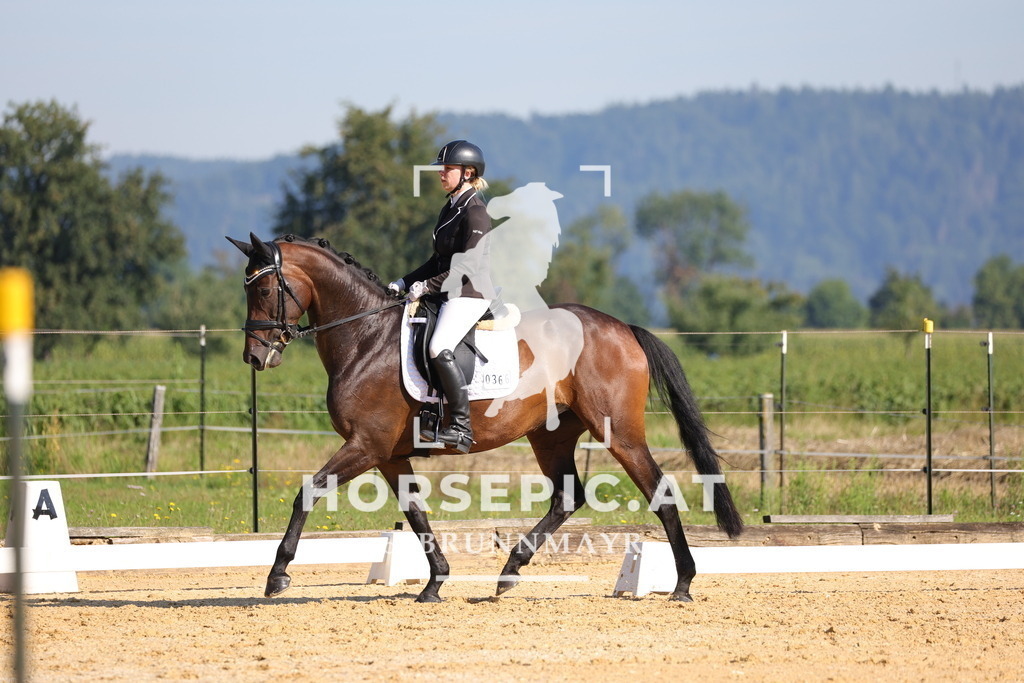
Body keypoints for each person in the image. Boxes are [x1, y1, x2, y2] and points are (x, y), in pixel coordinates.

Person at [388, 140, 495, 453]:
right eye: (442, 168)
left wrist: (427, 287)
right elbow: (437, 261)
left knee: (438, 345)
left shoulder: (475, 211)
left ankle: (461, 427)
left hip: (470, 293)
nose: (441, 174)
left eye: (447, 168)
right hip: (447, 289)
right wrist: (404, 281)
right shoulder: (451, 207)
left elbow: (469, 265)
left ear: (468, 172)